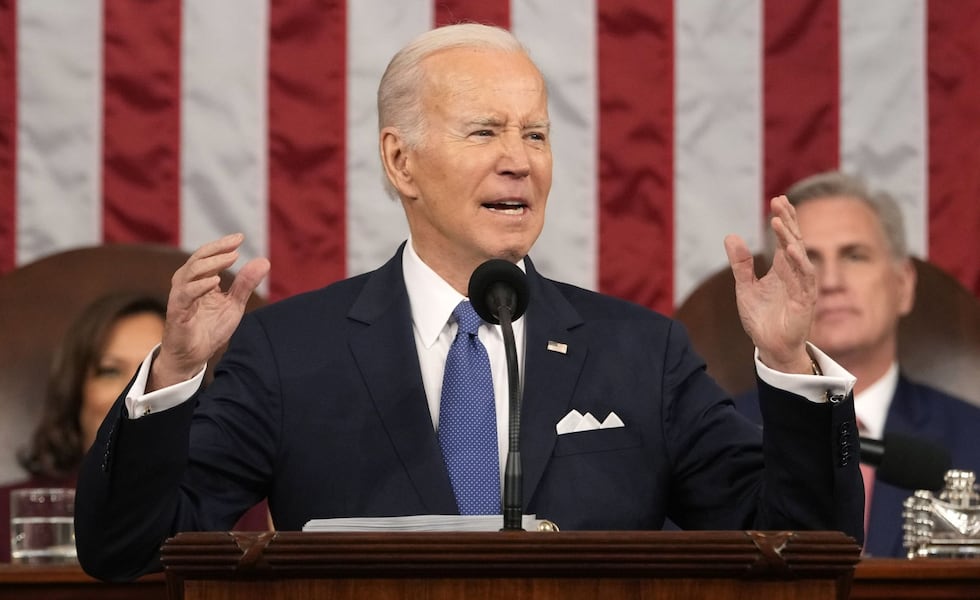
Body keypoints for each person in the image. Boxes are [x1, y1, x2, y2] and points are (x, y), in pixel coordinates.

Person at [75, 24, 863, 581]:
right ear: (401, 162)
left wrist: (789, 364)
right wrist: (176, 370)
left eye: (538, 135)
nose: (519, 162)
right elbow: (129, 551)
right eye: (485, 132)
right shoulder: (291, 353)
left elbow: (803, 550)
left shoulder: (640, 352)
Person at [734, 170, 980, 557]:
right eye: (808, 258)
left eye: (855, 255)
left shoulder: (972, 437)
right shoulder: (723, 436)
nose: (830, 281)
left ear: (903, 285)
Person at [0, 292, 166, 562]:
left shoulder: (238, 510)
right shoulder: (6, 513)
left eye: (154, 371)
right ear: (75, 392)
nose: (131, 392)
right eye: (110, 371)